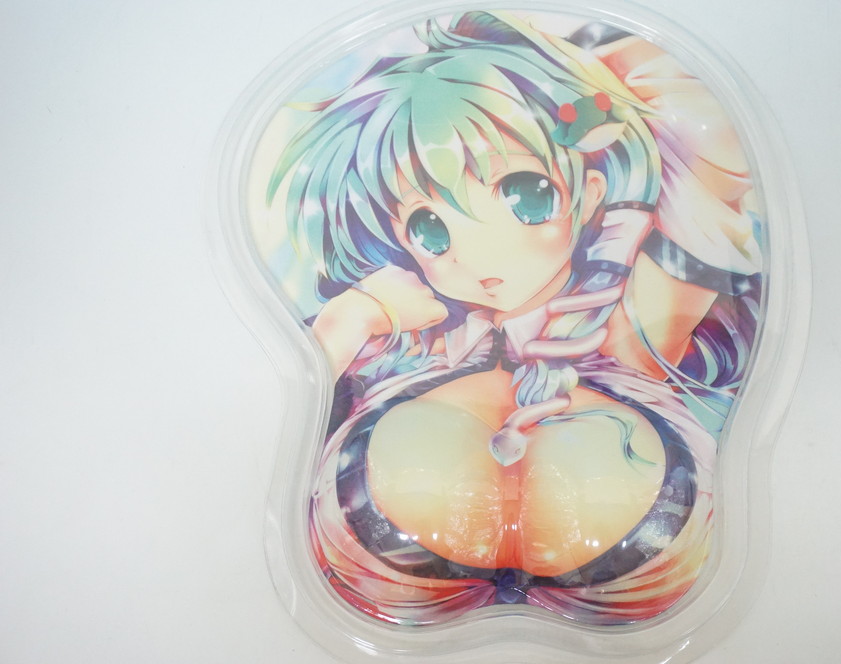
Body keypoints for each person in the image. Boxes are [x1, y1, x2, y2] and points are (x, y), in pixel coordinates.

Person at [266, 10, 762, 626]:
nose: (478, 256)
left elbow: (699, 122)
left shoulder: (640, 311)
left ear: (591, 192)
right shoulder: (402, 333)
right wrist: (353, 318)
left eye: (525, 194)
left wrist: (532, 65)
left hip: (635, 582)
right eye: (429, 226)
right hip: (384, 592)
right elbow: (282, 412)